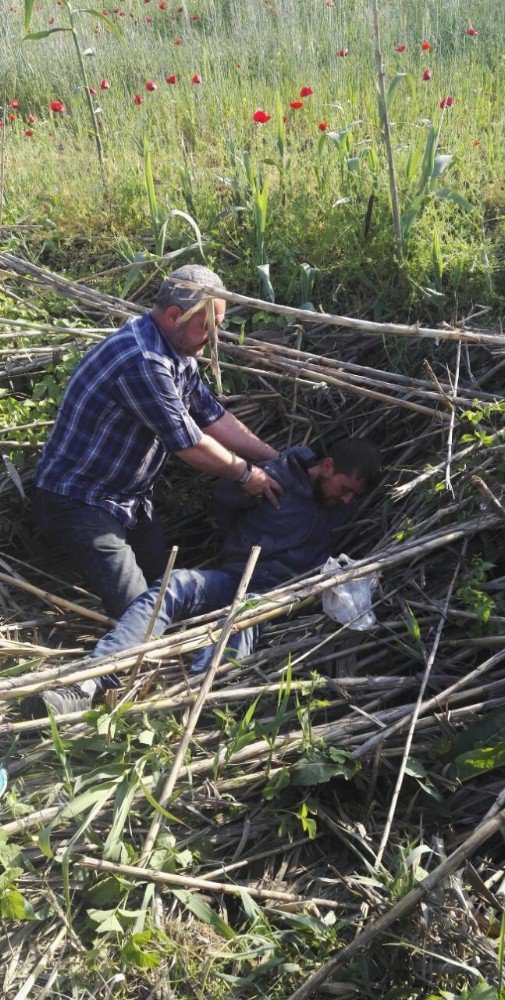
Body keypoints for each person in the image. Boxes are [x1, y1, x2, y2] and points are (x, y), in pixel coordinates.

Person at [23, 439, 380, 718]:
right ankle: (88, 683)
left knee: (242, 616)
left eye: (354, 495)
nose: (348, 500)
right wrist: (238, 533)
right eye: (345, 488)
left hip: (276, 597)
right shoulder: (277, 477)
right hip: (234, 576)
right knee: (176, 584)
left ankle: (190, 700)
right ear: (327, 466)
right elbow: (223, 497)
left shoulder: (340, 507)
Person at [32, 264, 282, 618]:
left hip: (129, 501)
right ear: (173, 315)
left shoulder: (178, 349)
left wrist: (274, 457)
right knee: (141, 615)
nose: (213, 339)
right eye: (207, 327)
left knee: (165, 593)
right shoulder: (144, 360)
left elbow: (212, 416)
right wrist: (246, 475)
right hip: (79, 499)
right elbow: (190, 444)